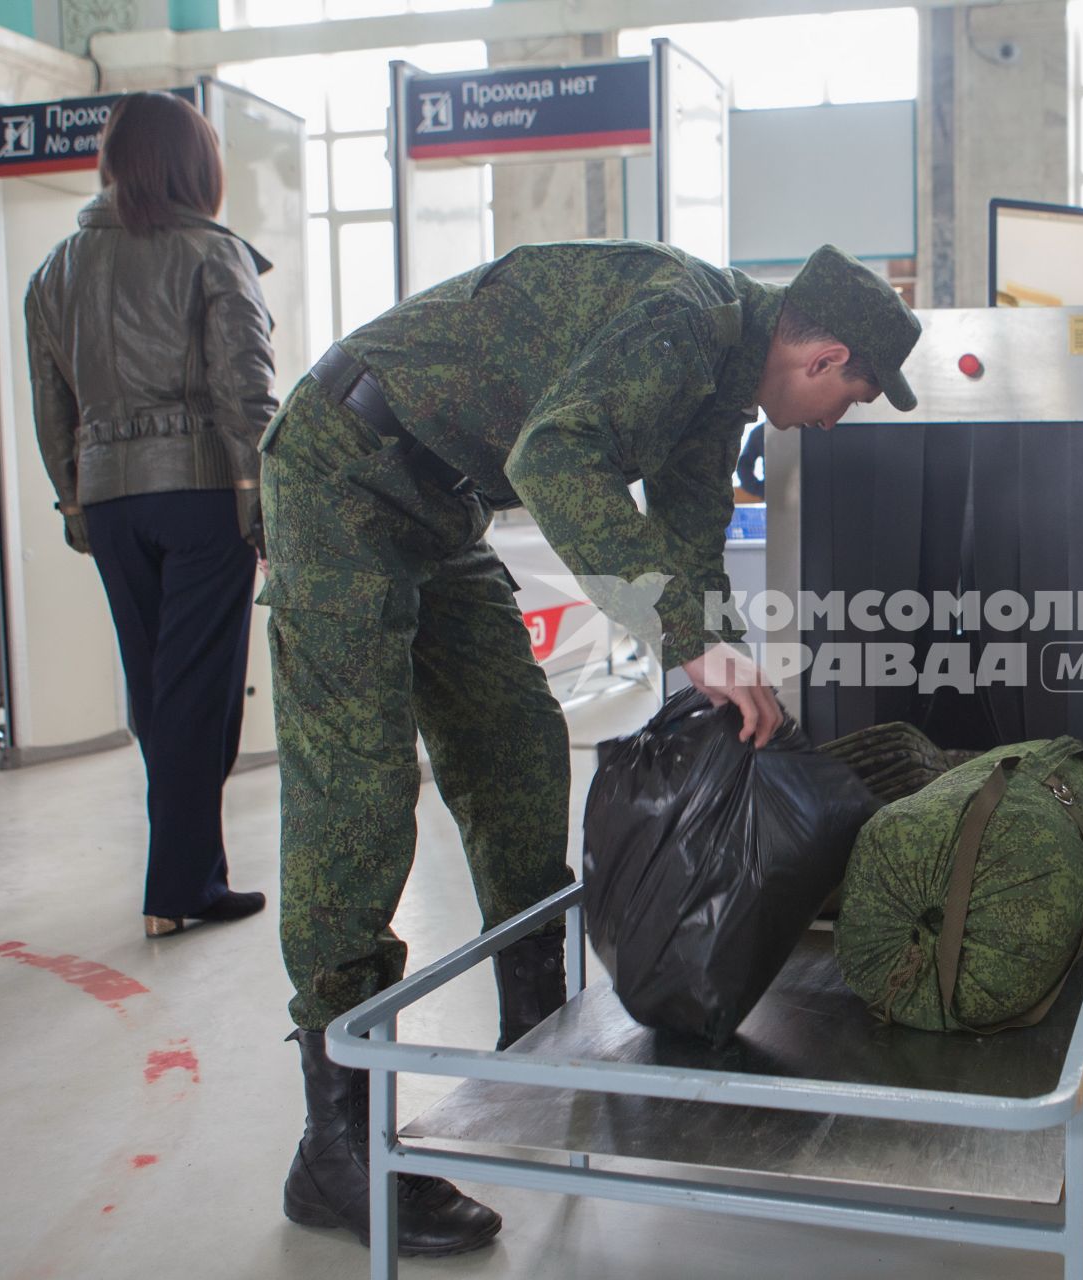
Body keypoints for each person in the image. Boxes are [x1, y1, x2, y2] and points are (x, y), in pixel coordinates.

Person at [263, 240, 921, 1255]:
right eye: (856, 397)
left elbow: (691, 541)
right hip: (342, 467)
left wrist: (728, 663)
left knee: (519, 743)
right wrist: (685, 641)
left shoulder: (724, 383)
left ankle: (533, 1040)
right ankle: (335, 1136)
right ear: (824, 357)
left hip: (435, 503)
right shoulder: (687, 319)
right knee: (358, 785)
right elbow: (553, 458)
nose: (839, 421)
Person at [25, 91, 273, 937]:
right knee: (201, 690)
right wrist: (268, 502)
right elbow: (246, 391)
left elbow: (50, 405)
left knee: (156, 689)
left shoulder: (56, 269)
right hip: (203, 490)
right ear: (192, 168)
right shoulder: (213, 251)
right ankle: (178, 889)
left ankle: (190, 872)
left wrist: (73, 498)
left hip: (108, 498)